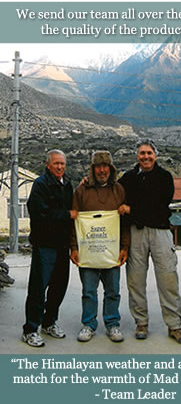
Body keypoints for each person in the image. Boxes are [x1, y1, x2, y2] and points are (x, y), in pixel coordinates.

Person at [118, 140, 181, 344]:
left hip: (160, 232)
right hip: (136, 233)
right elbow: (115, 194)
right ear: (137, 156)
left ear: (155, 156)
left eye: (149, 153)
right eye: (142, 153)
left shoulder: (165, 177)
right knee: (135, 279)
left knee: (168, 278)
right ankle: (141, 322)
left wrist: (132, 209)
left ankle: (174, 325)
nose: (145, 157)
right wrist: (88, 183)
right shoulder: (128, 178)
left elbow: (159, 206)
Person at [70, 150, 129, 343]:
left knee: (113, 291)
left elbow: (125, 222)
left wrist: (124, 247)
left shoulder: (119, 190)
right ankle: (89, 324)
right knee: (89, 291)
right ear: (92, 169)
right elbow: (74, 221)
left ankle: (112, 324)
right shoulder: (81, 191)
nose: (102, 170)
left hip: (111, 251)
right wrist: (74, 247)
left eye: (105, 166)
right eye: (98, 166)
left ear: (111, 169)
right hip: (88, 251)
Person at [22, 149, 77, 347]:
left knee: (58, 287)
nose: (60, 167)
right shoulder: (40, 185)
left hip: (62, 246)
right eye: (56, 163)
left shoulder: (68, 184)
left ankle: (49, 322)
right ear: (48, 165)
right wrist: (66, 215)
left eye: (62, 163)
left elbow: (73, 210)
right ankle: (30, 329)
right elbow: (40, 213)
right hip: (45, 245)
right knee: (38, 288)